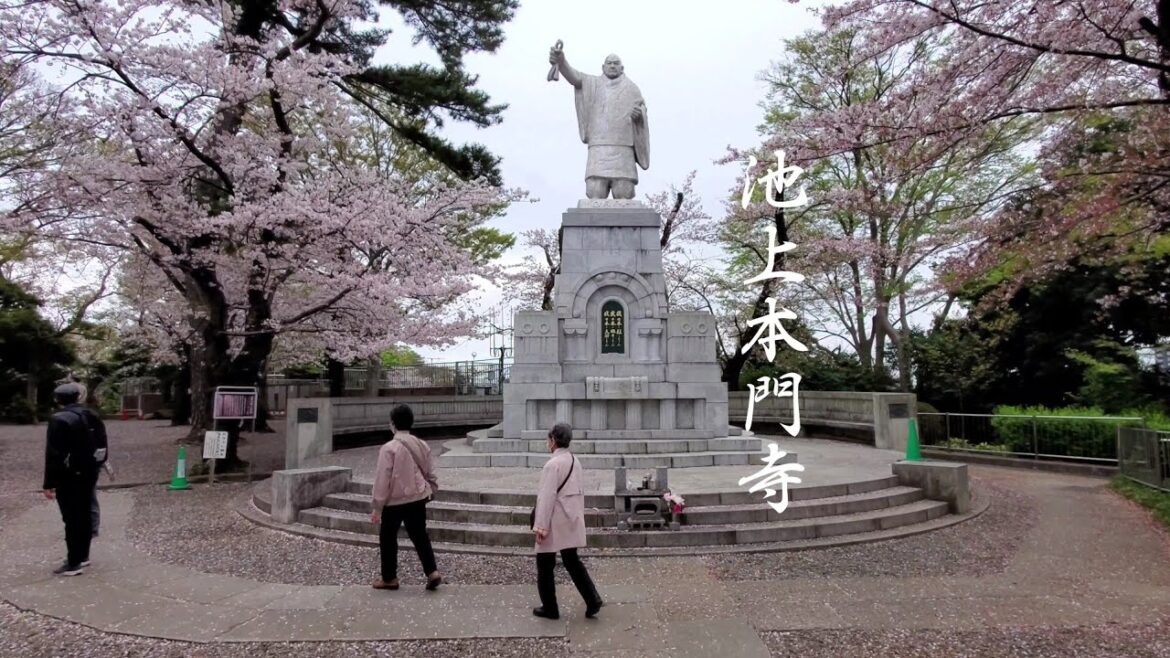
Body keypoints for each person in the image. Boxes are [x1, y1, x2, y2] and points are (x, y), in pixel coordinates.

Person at [548, 44, 649, 200]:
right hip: (599, 147)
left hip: (623, 148)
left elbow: (642, 116)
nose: (613, 66)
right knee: (595, 191)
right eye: (609, 63)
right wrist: (561, 61)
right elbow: (574, 76)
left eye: (616, 63)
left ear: (622, 68)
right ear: (603, 67)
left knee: (624, 192)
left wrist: (639, 116)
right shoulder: (592, 83)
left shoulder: (632, 89)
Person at [532, 422, 603, 620]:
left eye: (549, 439)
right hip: (570, 518)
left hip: (554, 521)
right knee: (572, 561)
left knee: (544, 565)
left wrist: (541, 526)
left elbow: (546, 498)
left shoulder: (552, 465)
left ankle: (550, 607)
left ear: (553, 440)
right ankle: (592, 598)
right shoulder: (574, 460)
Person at [369, 404, 442, 591]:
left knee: (388, 537)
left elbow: (382, 479)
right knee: (419, 535)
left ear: (392, 424)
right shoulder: (421, 444)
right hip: (417, 496)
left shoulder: (389, 448)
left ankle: (389, 577)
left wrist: (377, 506)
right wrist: (432, 489)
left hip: (394, 500)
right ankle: (432, 571)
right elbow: (430, 471)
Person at [42, 382, 108, 576]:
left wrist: (49, 483)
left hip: (68, 475)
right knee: (85, 513)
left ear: (57, 399)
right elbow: (102, 444)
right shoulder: (92, 415)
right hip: (89, 471)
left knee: (71, 518)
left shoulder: (59, 419)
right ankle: (83, 555)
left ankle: (73, 562)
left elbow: (54, 454)